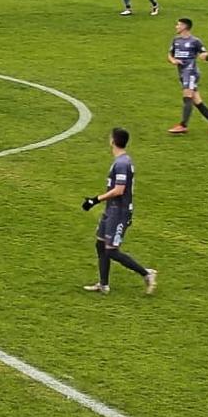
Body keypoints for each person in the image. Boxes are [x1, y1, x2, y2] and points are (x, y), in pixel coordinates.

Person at [81, 126, 156, 294]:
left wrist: (95, 200)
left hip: (119, 213)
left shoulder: (122, 163)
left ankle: (146, 274)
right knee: (100, 244)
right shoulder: (122, 160)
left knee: (112, 250)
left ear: (113, 141)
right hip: (111, 211)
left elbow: (119, 190)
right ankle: (103, 284)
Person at [166, 18, 208, 136]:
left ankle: (183, 125)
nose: (176, 26)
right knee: (197, 101)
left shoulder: (195, 41)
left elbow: (205, 54)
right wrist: (173, 61)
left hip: (191, 72)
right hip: (182, 73)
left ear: (185, 27)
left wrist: (204, 56)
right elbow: (169, 55)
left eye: (178, 25)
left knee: (187, 96)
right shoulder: (176, 40)